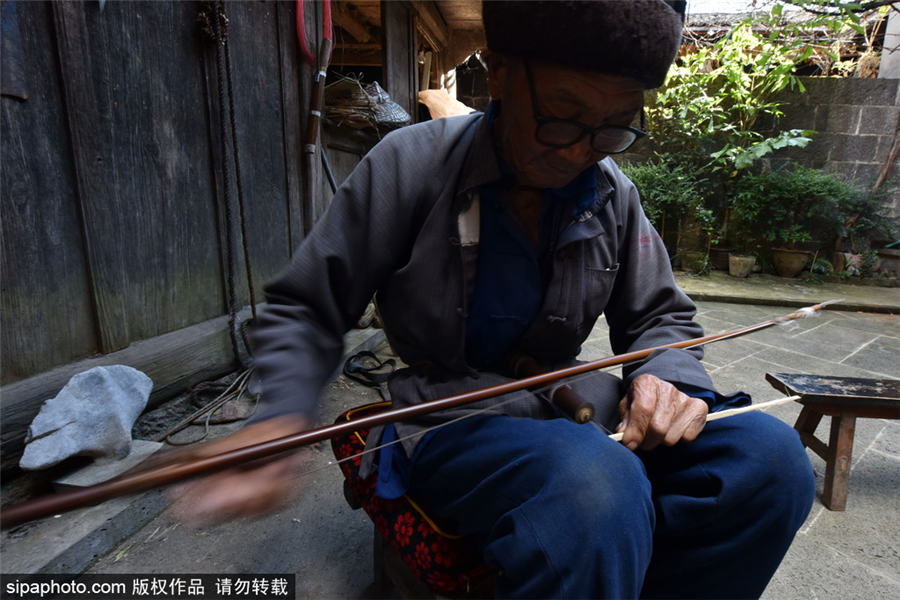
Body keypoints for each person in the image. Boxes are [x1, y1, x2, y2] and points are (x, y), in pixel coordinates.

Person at [176, 1, 815, 597]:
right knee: (594, 488)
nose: (579, 150)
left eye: (615, 125)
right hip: (454, 419)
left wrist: (664, 375)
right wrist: (280, 414)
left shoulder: (611, 190)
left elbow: (659, 315)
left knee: (771, 463)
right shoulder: (410, 165)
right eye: (561, 113)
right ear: (502, 74)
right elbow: (310, 306)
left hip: (577, 409)